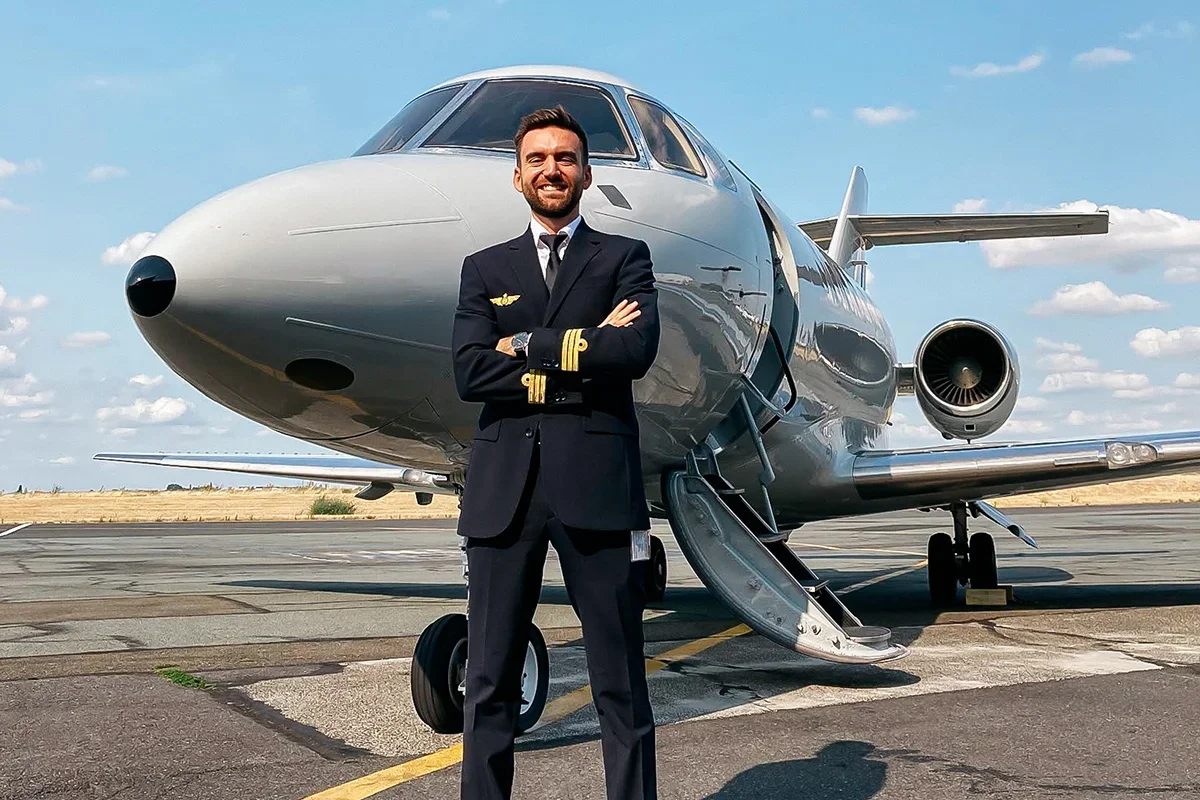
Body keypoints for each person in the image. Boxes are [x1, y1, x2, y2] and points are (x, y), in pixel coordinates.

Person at [451, 105, 660, 800]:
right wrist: (581, 351)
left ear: (586, 174)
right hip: (503, 495)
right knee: (489, 681)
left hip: (597, 489)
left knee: (619, 681)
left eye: (565, 158)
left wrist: (525, 344)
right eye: (537, 160)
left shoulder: (624, 258)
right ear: (517, 177)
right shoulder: (484, 268)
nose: (551, 170)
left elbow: (632, 352)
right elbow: (470, 372)